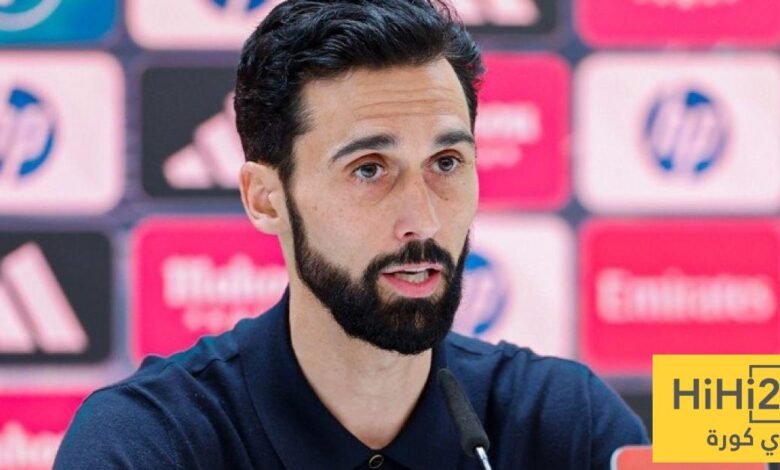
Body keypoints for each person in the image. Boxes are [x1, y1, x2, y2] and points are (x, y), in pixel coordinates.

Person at [55, 0, 648, 468]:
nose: (423, 219)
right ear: (265, 198)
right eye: (369, 170)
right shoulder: (144, 440)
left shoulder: (568, 418)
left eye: (446, 163)